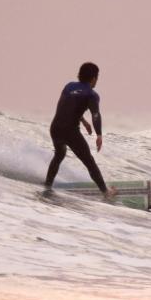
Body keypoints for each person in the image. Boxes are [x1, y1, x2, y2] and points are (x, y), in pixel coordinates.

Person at [45, 62, 117, 198]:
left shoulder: (69, 86)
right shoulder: (91, 94)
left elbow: (67, 107)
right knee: (89, 161)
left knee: (59, 154)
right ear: (94, 78)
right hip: (70, 132)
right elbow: (95, 114)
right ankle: (106, 192)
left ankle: (47, 185)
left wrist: (83, 121)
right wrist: (99, 134)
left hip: (55, 128)